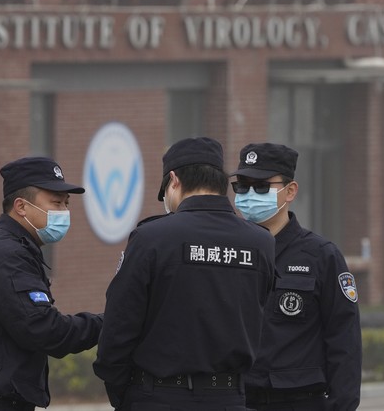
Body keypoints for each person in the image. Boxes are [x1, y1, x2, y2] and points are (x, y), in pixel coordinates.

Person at [94, 137, 276, 411]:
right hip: (229, 398)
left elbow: (118, 329)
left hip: (158, 396)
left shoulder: (151, 238)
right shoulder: (261, 242)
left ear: (174, 180)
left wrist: (127, 394)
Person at [0, 156, 102, 411]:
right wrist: (109, 321)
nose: (64, 213)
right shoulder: (8, 255)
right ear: (21, 206)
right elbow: (44, 330)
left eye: (67, 204)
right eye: (56, 203)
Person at [231, 142, 361, 411]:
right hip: (236, 399)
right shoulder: (228, 251)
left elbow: (344, 342)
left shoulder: (321, 256)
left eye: (262, 186)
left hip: (298, 401)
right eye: (242, 186)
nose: (249, 194)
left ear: (290, 191)